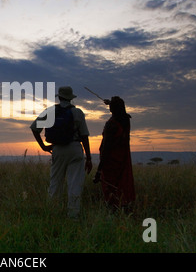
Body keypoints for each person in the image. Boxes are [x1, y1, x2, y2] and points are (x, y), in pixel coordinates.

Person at [30, 86, 92, 219]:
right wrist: (89, 158)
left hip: (57, 149)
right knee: (74, 184)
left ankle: (53, 214)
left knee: (55, 183)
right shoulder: (78, 112)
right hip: (75, 148)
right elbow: (84, 136)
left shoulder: (50, 111)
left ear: (59, 97)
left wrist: (43, 147)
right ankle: (73, 216)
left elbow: (34, 129)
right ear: (71, 98)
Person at [94, 96, 135, 212]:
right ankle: (124, 208)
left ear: (112, 109)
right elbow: (119, 112)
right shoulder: (126, 120)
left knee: (111, 187)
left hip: (110, 161)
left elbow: (106, 147)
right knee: (122, 185)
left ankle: (114, 210)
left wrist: (99, 170)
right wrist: (111, 104)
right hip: (122, 159)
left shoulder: (111, 124)